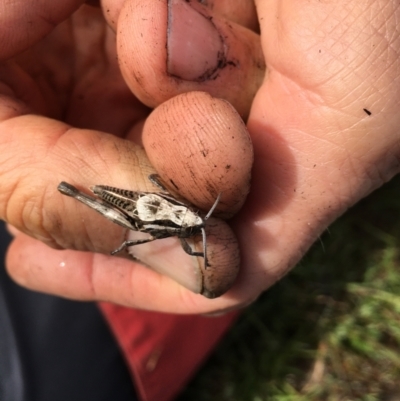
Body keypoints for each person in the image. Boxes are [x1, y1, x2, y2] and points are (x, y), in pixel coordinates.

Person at [0, 0, 399, 400]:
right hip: (137, 205)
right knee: (122, 215)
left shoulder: (195, 222)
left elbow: (183, 223)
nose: (198, 227)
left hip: (148, 210)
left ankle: (79, 196)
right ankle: (75, 194)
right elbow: (154, 220)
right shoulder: (188, 220)